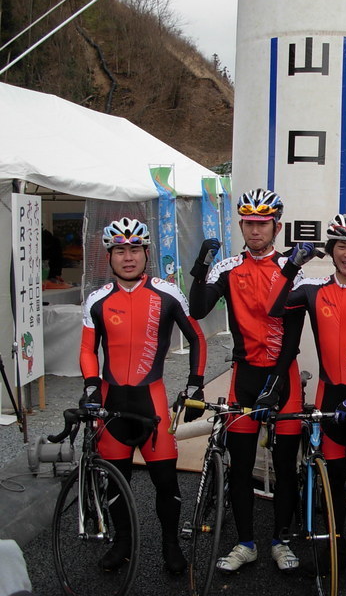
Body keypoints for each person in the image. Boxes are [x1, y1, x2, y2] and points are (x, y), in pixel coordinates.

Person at [268, 211, 346, 586]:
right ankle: (334, 548)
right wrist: (291, 267)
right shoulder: (312, 289)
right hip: (328, 397)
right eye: (342, 245)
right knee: (333, 483)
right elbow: (276, 309)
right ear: (332, 249)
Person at [189, 188, 307, 574]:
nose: (255, 230)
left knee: (286, 464)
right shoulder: (228, 267)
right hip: (244, 375)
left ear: (276, 226)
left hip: (283, 374)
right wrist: (201, 266)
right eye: (249, 223)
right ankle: (245, 543)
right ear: (241, 224)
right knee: (240, 466)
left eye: (263, 224)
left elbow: (293, 330)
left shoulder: (292, 267)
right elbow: (198, 307)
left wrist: (277, 379)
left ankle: (280, 540)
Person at [80, 217, 207, 574]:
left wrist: (196, 382)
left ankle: (170, 545)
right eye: (120, 250)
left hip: (152, 405)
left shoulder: (168, 293)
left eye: (135, 249)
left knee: (165, 481)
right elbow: (88, 350)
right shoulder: (98, 300)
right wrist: (91, 385)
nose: (128, 257)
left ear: (146, 252)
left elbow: (196, 337)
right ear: (109, 256)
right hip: (112, 405)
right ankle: (122, 543)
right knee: (115, 481)